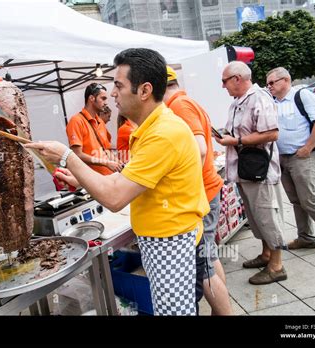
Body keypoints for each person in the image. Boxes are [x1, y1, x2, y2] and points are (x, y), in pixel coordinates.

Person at [26, 48, 209, 315]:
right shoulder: (151, 129)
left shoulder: (163, 134)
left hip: (172, 244)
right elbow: (129, 177)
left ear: (144, 90)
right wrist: (80, 180)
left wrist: (67, 157)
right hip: (165, 242)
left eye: (118, 86)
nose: (112, 94)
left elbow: (114, 198)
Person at [163, 66, 232, 315]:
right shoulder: (185, 102)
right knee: (209, 256)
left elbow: (200, 148)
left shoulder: (178, 106)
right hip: (206, 189)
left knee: (204, 265)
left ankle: (223, 311)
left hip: (201, 192)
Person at [215, 61, 287, 285]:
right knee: (256, 217)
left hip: (259, 170)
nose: (223, 86)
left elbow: (272, 133)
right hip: (245, 170)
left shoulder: (259, 97)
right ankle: (266, 254)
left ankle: (277, 266)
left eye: (224, 81)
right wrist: (226, 135)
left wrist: (236, 140)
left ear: (237, 79)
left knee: (267, 215)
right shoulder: (238, 102)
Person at [266, 67, 315, 255]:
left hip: (301, 156)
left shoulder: (302, 95)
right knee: (296, 200)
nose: (269, 86)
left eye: (272, 82)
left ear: (285, 80)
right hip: (282, 157)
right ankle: (306, 238)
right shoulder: (274, 101)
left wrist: (308, 147)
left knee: (308, 198)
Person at [66, 83, 122, 175]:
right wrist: (106, 163)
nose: (106, 102)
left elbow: (107, 149)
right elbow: (77, 155)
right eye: (103, 98)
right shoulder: (76, 121)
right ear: (91, 98)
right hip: (93, 180)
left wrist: (117, 162)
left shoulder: (100, 121)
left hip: (110, 177)